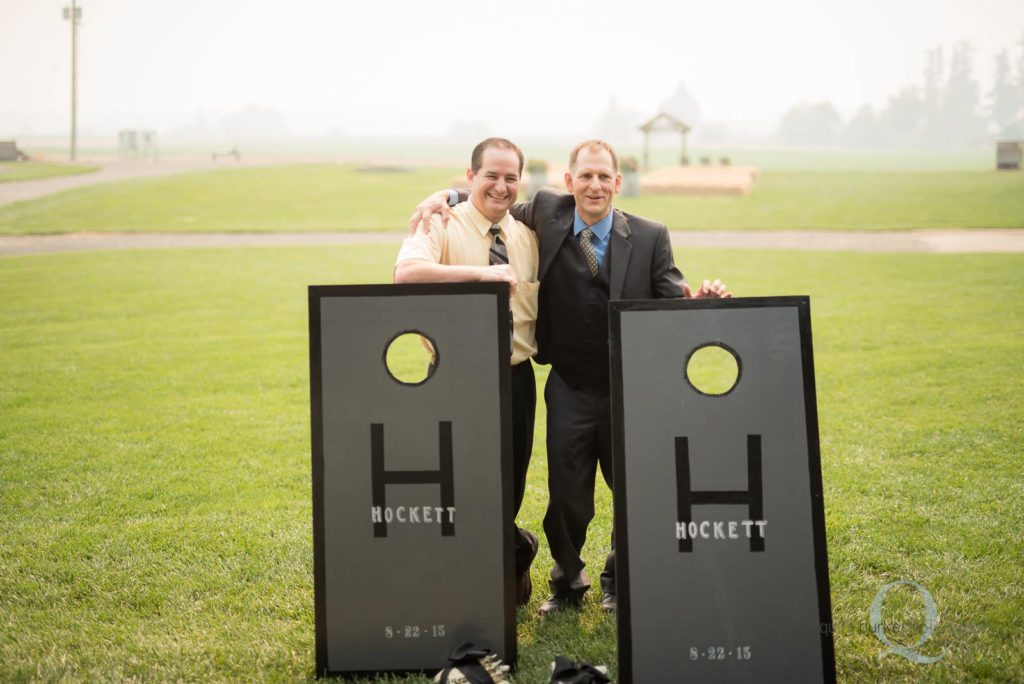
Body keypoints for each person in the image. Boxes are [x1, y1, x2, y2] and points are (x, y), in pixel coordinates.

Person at [409, 139, 730, 616]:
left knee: (634, 489)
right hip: (568, 387)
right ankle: (566, 582)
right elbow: (492, 197)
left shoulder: (649, 236)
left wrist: (700, 304)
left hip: (628, 390)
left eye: (604, 177)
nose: (594, 185)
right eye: (585, 176)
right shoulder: (546, 213)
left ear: (618, 182)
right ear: (568, 182)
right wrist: (446, 196)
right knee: (567, 497)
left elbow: (670, 305)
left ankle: (619, 581)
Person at [394, 137, 541, 607]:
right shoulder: (439, 221)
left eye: (510, 177)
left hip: (516, 381)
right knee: (458, 485)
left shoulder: (527, 236)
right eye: (491, 176)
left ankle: (503, 570)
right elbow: (407, 273)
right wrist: (483, 277)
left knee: (510, 485)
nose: (500, 186)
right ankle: (513, 557)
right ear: (470, 176)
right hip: (453, 380)